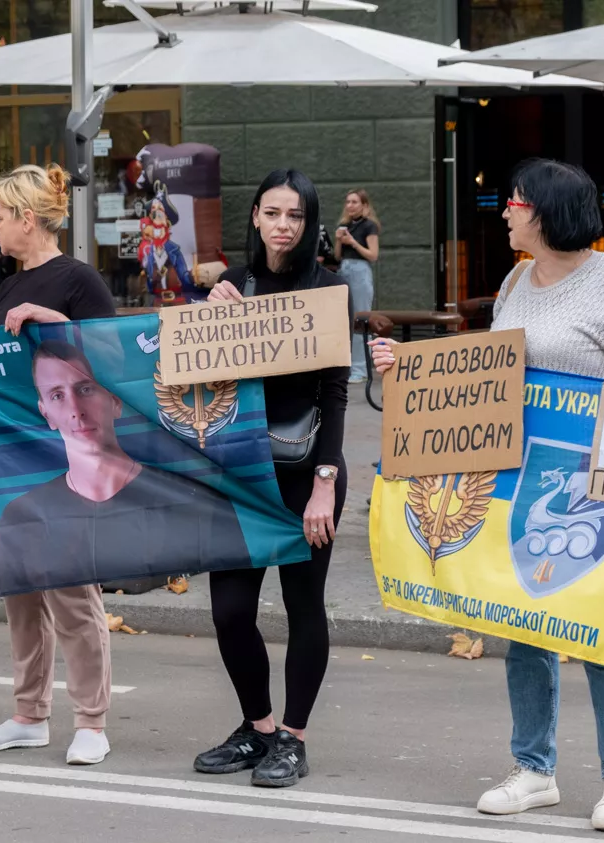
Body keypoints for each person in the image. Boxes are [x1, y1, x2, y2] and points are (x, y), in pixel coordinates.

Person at [374, 158, 604, 832]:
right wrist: (407, 370)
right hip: (518, 482)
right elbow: (490, 368)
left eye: (513, 200)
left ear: (543, 211)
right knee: (523, 625)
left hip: (596, 485)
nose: (504, 210)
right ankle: (533, 767)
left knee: (603, 627)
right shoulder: (515, 279)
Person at [193, 169, 349, 789]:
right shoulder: (233, 285)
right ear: (255, 217)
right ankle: (257, 729)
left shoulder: (329, 289)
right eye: (273, 213)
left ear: (308, 225)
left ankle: (295, 737)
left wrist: (325, 483)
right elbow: (201, 385)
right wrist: (208, 319)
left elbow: (336, 394)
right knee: (230, 610)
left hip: (306, 470)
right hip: (242, 475)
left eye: (296, 216)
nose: (284, 225)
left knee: (302, 603)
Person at [0, 163, 118, 766]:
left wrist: (59, 324)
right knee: (21, 593)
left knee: (73, 593)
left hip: (67, 457)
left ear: (28, 220)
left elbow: (112, 361)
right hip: (16, 453)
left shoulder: (79, 280)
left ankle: (91, 721)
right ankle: (29, 715)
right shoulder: (7, 282)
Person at [0, 340, 248, 595]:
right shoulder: (23, 516)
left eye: (86, 390)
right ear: (45, 413)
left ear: (115, 400)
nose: (75, 410)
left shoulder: (188, 499)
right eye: (57, 395)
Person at [333, 189, 380, 384]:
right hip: (344, 269)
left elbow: (373, 255)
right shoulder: (344, 226)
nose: (350, 205)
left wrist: (352, 242)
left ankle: (360, 368)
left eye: (354, 202)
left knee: (360, 319)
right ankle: (350, 366)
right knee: (345, 320)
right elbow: (337, 256)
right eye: (347, 202)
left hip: (360, 271)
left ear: (364, 205)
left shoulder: (370, 226)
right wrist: (338, 240)